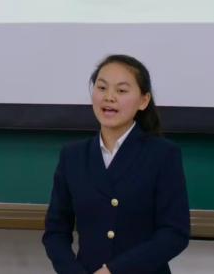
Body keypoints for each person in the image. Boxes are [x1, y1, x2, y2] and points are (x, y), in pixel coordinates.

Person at [43, 54, 190, 274]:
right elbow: (55, 232)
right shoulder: (72, 156)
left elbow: (174, 233)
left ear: (143, 101)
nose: (109, 97)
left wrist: (115, 270)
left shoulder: (163, 154)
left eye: (121, 91)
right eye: (102, 88)